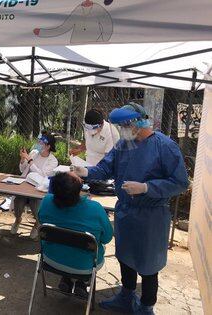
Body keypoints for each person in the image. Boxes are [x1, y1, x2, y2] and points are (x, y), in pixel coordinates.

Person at [73, 103, 189, 315]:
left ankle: (146, 306)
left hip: (151, 215)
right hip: (126, 211)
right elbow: (106, 168)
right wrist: (86, 172)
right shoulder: (123, 145)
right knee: (125, 256)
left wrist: (147, 187)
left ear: (137, 122)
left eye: (123, 126)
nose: (121, 131)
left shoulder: (165, 146)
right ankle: (126, 296)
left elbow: (180, 182)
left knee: (148, 264)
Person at [38, 172, 113, 297]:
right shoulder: (95, 208)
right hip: (85, 266)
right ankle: (81, 281)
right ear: (79, 188)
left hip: (51, 258)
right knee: (94, 246)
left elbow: (41, 222)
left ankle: (67, 279)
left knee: (65, 242)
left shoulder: (46, 202)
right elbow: (107, 238)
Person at [10, 132, 58, 239]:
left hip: (39, 189)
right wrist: (23, 159)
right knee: (18, 200)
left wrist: (30, 160)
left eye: (42, 142)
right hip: (25, 185)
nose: (39, 144)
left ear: (48, 146)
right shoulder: (34, 153)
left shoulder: (53, 161)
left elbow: (43, 175)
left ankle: (37, 224)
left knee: (35, 202)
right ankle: (18, 219)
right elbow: (22, 169)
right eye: (39, 141)